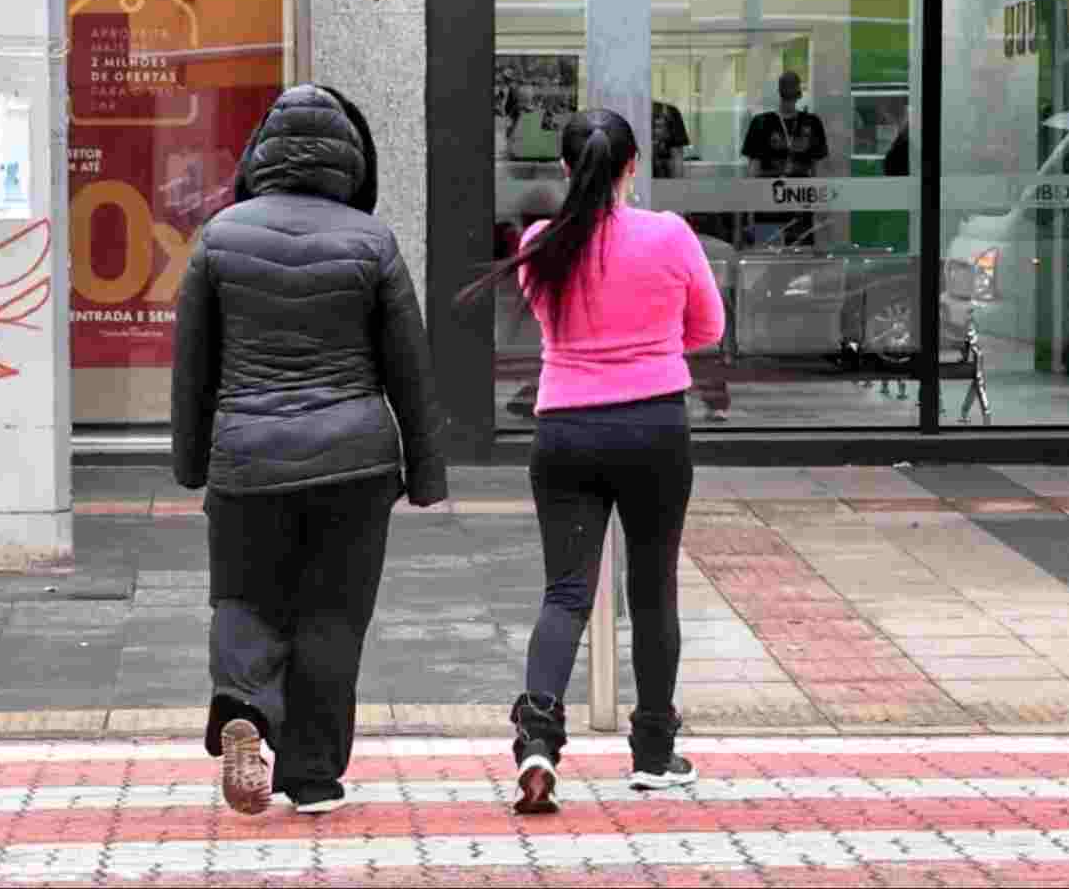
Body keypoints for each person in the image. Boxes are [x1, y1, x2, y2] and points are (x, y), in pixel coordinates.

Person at [171, 84, 449, 818]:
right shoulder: (372, 240)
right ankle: (315, 776)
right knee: (332, 615)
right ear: (352, 161)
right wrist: (426, 473)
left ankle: (245, 710)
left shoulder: (222, 236)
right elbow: (409, 367)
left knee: (243, 595)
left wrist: (191, 460)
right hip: (354, 465)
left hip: (248, 456)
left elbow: (193, 364)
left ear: (261, 153)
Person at [458, 108, 725, 814]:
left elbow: (554, 320)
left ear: (568, 170)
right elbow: (709, 327)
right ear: (633, 166)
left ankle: (539, 738)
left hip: (566, 432)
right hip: (655, 429)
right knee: (652, 589)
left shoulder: (542, 243)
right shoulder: (670, 235)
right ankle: (655, 755)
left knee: (566, 594)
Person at [741, 71, 829, 247]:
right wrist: (748, 209)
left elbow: (818, 169)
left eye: (792, 87)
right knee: (767, 254)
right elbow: (753, 169)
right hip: (768, 199)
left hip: (800, 199)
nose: (789, 92)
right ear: (780, 90)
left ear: (799, 92)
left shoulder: (811, 123)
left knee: (800, 256)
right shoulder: (762, 123)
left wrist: (821, 208)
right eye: (786, 87)